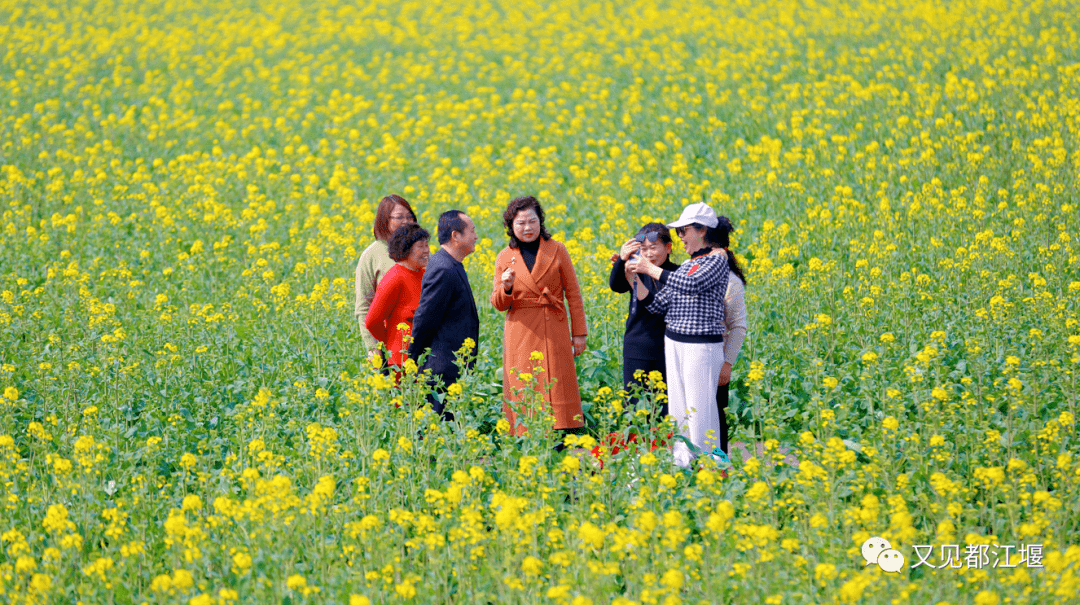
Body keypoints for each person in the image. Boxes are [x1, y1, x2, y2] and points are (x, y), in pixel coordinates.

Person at [627, 202, 730, 468]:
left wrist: (650, 269)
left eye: (684, 230)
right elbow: (659, 304)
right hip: (675, 343)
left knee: (700, 413)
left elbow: (691, 285)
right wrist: (636, 279)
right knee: (679, 415)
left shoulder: (717, 259)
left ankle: (711, 469)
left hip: (701, 347)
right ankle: (683, 467)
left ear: (702, 230)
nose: (680, 236)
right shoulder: (688, 264)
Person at [491, 195, 588, 435]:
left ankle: (561, 431)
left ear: (540, 222)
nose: (527, 228)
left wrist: (579, 334)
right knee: (524, 379)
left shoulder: (557, 249)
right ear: (511, 226)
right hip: (521, 330)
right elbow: (498, 304)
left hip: (553, 326)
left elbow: (573, 294)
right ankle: (526, 433)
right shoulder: (505, 256)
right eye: (521, 222)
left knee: (556, 380)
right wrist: (507, 287)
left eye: (532, 221)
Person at [408, 210, 480, 420]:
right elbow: (425, 317)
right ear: (455, 236)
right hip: (441, 369)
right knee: (435, 435)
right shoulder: (443, 269)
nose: (476, 236)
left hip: (452, 366)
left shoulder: (450, 265)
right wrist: (412, 357)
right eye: (472, 231)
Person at [609, 223, 680, 416]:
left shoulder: (675, 274)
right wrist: (621, 260)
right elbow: (616, 285)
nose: (648, 254)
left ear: (669, 247)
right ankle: (636, 444)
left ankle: (663, 444)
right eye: (643, 249)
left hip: (666, 347)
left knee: (665, 406)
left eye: (654, 247)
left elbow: (660, 307)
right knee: (634, 406)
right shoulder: (636, 269)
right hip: (636, 346)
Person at [355, 195, 417, 356]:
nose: (406, 221)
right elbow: (363, 307)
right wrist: (374, 349)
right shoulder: (372, 255)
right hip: (388, 345)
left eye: (410, 216)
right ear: (384, 220)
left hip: (419, 342)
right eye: (399, 217)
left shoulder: (421, 251)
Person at [365, 224, 431, 371]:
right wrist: (391, 340)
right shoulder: (394, 277)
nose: (427, 251)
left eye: (427, 246)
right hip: (401, 361)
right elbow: (372, 321)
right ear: (405, 248)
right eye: (421, 246)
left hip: (423, 357)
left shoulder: (423, 275)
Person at [714, 216, 748, 456]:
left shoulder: (731, 281)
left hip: (717, 360)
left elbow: (738, 326)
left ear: (724, 249)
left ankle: (719, 468)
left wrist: (727, 364)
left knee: (717, 420)